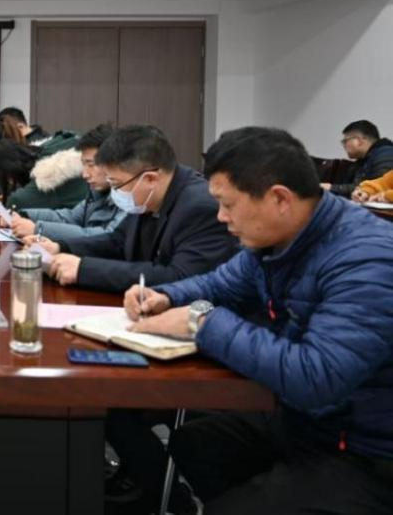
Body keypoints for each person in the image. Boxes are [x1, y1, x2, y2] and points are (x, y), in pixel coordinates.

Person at [125, 126, 393, 514]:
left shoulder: (365, 259)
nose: (221, 217)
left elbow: (317, 377)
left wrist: (202, 323)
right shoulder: (278, 239)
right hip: (307, 423)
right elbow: (219, 284)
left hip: (365, 449)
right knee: (195, 445)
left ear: (279, 198)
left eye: (228, 204)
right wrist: (164, 296)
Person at [41, 125, 237, 292]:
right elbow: (118, 241)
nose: (115, 192)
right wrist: (61, 247)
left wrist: (83, 270)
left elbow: (178, 277)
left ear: (150, 178)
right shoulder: (147, 197)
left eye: (117, 184)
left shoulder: (201, 207)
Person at [10, 124, 126, 244]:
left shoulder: (129, 199)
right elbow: (69, 217)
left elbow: (105, 237)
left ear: (113, 162)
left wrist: (38, 229)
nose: (85, 174)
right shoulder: (96, 193)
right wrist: (25, 215)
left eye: (91, 165)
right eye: (84, 165)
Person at [326, 120, 393, 197]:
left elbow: (377, 188)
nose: (344, 145)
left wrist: (331, 188)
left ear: (359, 140)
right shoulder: (363, 159)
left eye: (345, 141)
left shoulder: (386, 154)